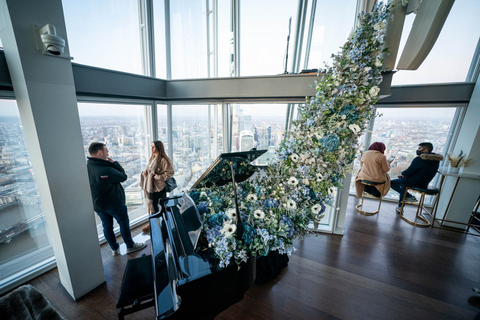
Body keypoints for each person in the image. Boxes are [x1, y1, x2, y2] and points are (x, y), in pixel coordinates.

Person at [86, 142, 146, 256]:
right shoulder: (105, 169)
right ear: (100, 152)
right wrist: (115, 163)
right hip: (114, 203)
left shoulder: (88, 166)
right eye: (106, 151)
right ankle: (130, 246)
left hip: (98, 204)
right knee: (123, 223)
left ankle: (114, 249)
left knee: (107, 226)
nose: (108, 153)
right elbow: (123, 177)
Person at [390, 142, 443, 212]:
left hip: (413, 182)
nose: (418, 150)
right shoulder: (436, 161)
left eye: (420, 148)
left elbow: (410, 171)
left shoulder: (419, 159)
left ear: (426, 150)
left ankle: (409, 197)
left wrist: (403, 174)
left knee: (390, 183)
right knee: (403, 187)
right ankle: (400, 207)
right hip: (424, 183)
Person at [140, 140, 175, 233]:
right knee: (151, 205)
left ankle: (161, 226)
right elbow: (149, 169)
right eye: (151, 146)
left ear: (159, 148)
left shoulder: (164, 160)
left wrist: (159, 177)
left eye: (153, 147)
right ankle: (153, 223)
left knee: (158, 207)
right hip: (150, 186)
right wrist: (145, 173)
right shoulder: (152, 158)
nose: (151, 148)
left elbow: (171, 172)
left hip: (158, 187)